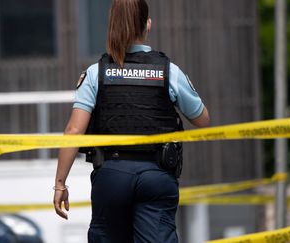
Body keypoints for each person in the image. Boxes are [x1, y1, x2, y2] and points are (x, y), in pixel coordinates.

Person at [53, 0, 210, 242]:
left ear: (112, 26)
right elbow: (202, 120)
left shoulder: (97, 73)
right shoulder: (168, 71)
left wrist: (60, 184)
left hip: (112, 175)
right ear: (148, 25)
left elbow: (74, 131)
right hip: (156, 175)